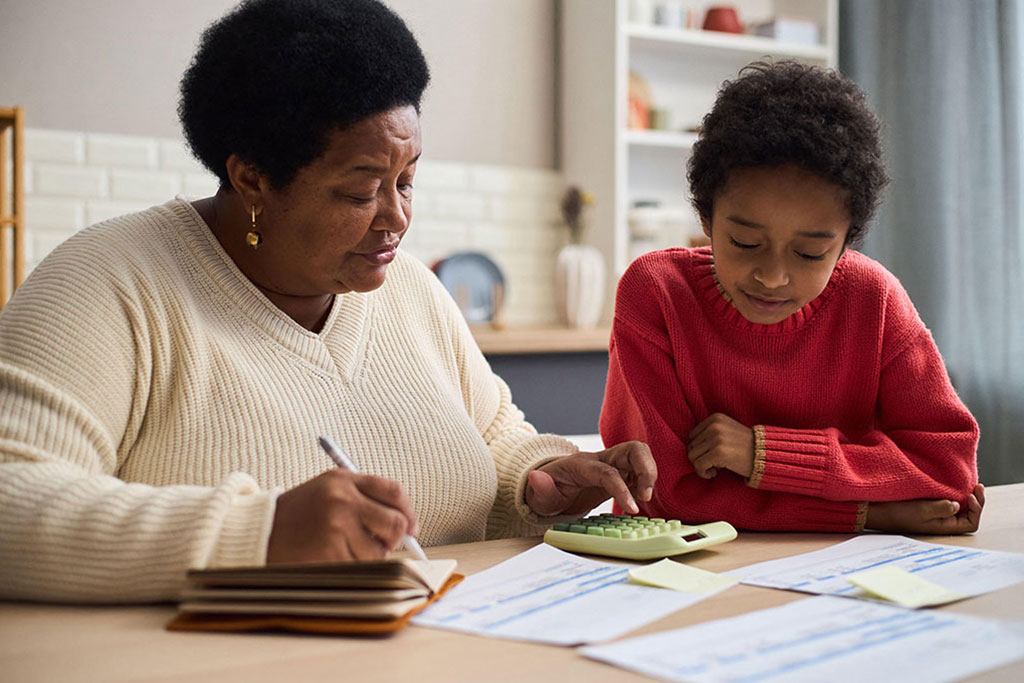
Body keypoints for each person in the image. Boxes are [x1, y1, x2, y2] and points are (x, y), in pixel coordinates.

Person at [0, 0, 655, 603]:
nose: (396, 218)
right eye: (361, 192)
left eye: (408, 180)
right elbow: (11, 497)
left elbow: (492, 436)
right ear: (251, 176)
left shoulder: (411, 290)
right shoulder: (112, 283)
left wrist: (538, 479)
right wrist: (258, 532)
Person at [600, 61, 983, 534]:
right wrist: (865, 510)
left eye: (809, 253)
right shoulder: (655, 293)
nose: (774, 277)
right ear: (706, 219)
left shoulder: (874, 300)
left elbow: (948, 468)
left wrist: (762, 455)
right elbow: (663, 493)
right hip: (675, 568)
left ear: (846, 243)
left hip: (830, 574)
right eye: (744, 243)